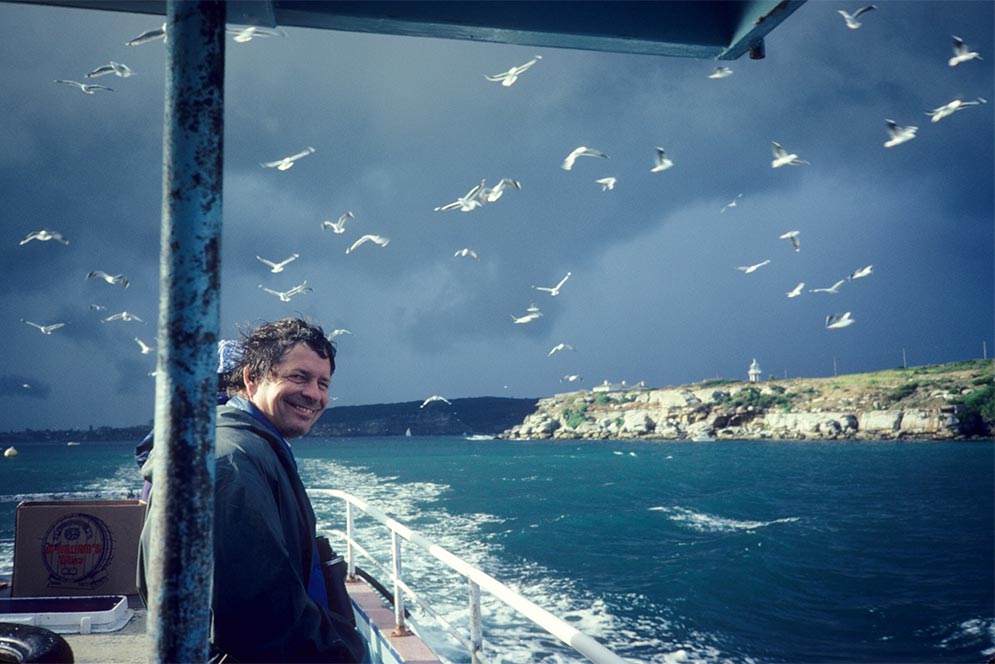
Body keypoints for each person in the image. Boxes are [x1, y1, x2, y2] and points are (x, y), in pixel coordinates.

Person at [138, 318, 366, 663]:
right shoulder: (231, 461)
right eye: (298, 377)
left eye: (323, 383)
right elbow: (261, 615)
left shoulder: (249, 447)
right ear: (251, 377)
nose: (314, 394)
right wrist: (344, 651)